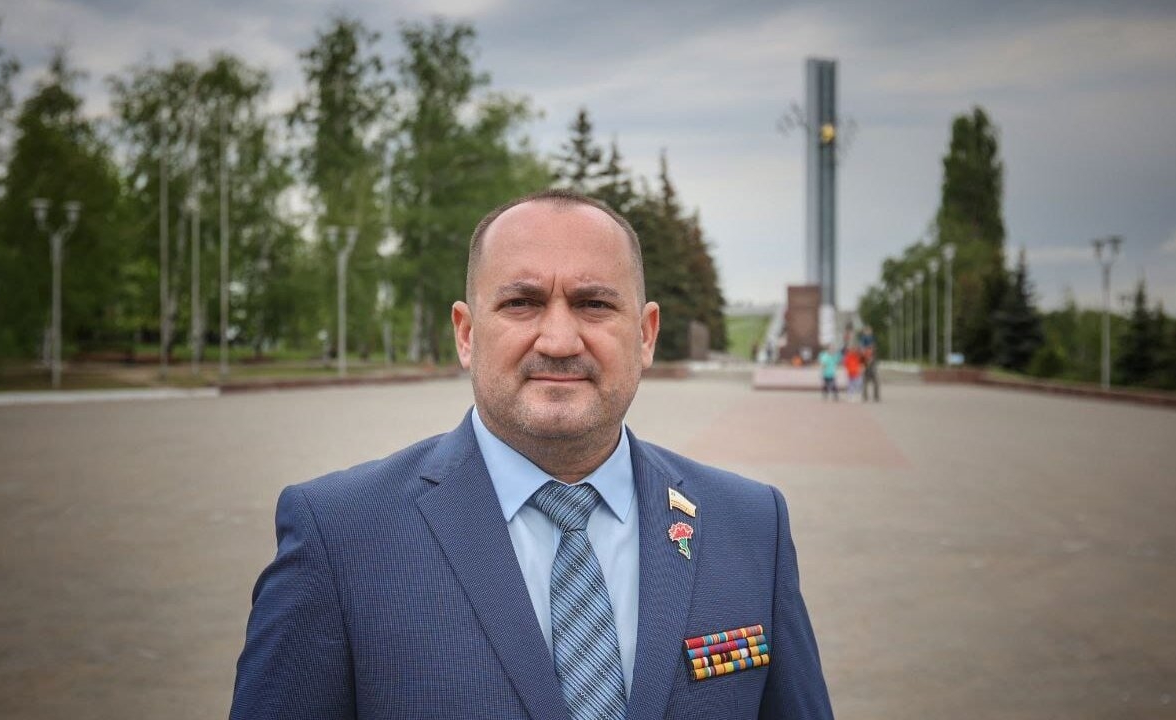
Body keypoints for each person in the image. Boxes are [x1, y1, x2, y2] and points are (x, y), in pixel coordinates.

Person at [230, 190, 835, 720]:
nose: (560, 341)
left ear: (645, 334)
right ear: (467, 334)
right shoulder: (340, 537)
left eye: (595, 304)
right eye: (521, 303)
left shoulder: (750, 526)